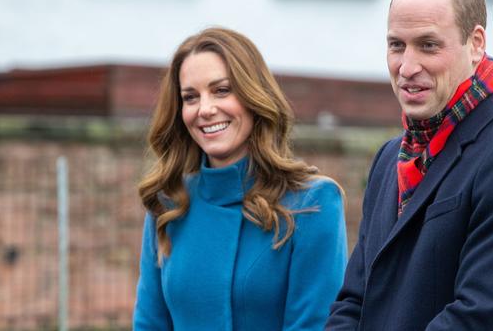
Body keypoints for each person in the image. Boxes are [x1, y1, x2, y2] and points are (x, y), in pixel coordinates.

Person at [326, 0, 493, 330]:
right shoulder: (390, 159)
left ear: (476, 44)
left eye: (428, 45)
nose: (407, 67)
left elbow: (482, 319)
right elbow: (353, 304)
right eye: (397, 45)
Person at [133, 27, 348, 330]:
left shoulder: (313, 201)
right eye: (190, 97)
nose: (205, 109)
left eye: (221, 90)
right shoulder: (167, 205)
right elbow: (150, 323)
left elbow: (312, 324)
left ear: (252, 97)